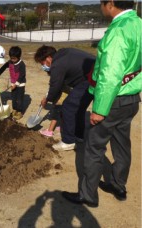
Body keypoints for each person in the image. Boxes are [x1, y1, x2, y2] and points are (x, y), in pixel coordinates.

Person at [62, 0, 141, 208]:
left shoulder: (118, 30)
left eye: (101, 3)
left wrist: (99, 109)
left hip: (113, 99)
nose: (100, 7)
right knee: (122, 144)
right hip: (131, 98)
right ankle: (118, 185)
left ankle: (88, 194)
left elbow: (110, 74)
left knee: (94, 147)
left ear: (111, 3)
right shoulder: (138, 23)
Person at [34, 46, 95, 151]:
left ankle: (68, 141)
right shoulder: (63, 53)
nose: (43, 66)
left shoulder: (57, 65)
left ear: (48, 58)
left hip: (90, 78)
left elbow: (55, 86)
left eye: (42, 62)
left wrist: (47, 99)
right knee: (79, 107)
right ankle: (78, 136)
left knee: (67, 106)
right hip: (93, 74)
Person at [0, 46, 26, 120]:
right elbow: (3, 67)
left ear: (18, 57)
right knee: (14, 98)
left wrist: (16, 84)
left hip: (20, 84)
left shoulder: (22, 64)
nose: (12, 60)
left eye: (14, 58)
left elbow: (22, 75)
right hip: (13, 84)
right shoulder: (10, 62)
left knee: (19, 99)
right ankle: (15, 109)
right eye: (11, 58)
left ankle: (20, 111)